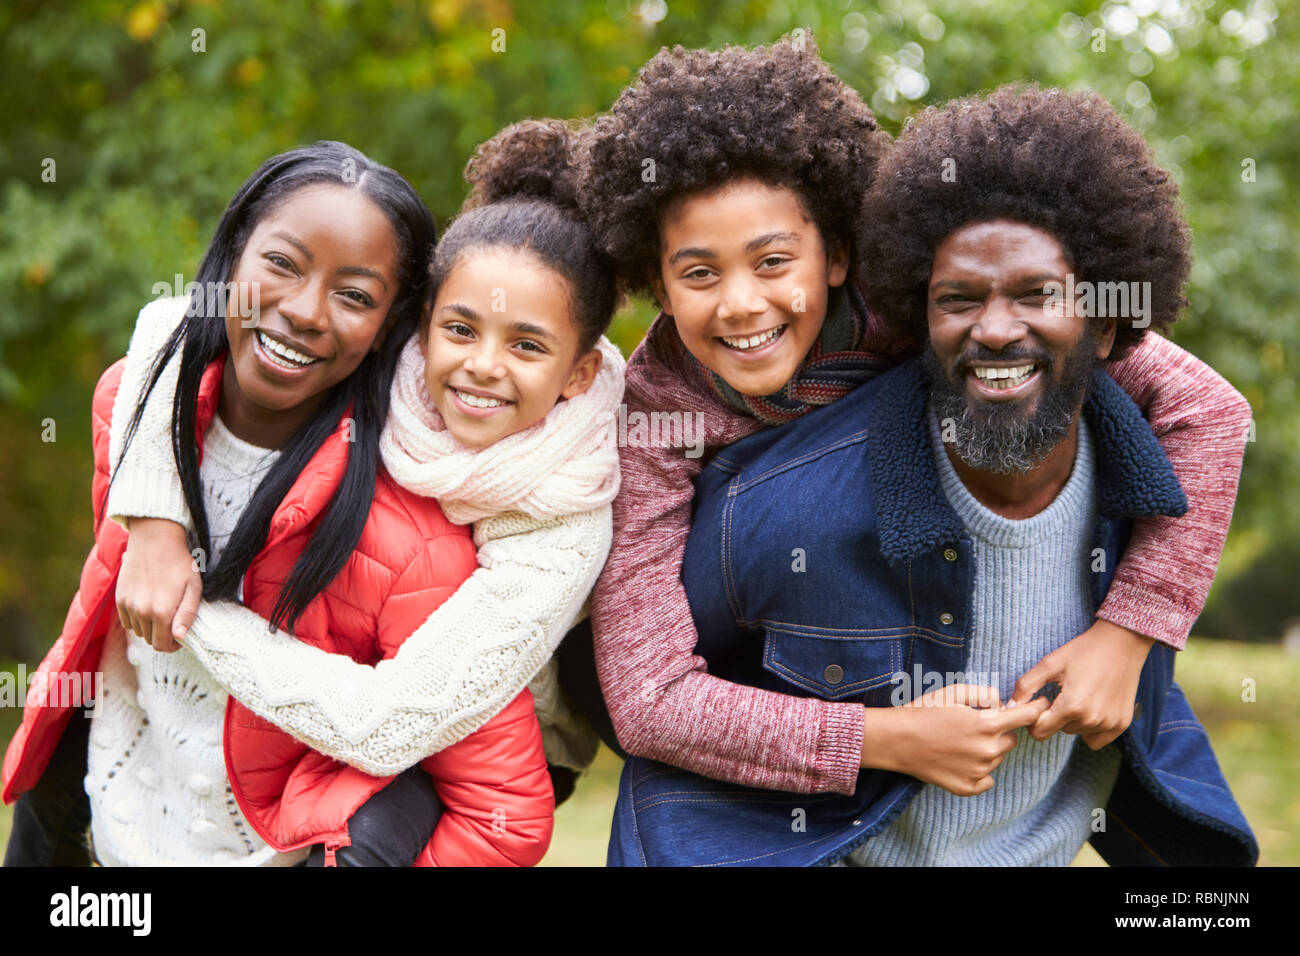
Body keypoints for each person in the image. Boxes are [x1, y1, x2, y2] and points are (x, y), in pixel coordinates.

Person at [579, 37, 1253, 799]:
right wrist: (884, 738)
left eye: (773, 262)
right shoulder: (655, 415)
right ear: (660, 289)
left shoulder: (932, 306)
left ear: (837, 257)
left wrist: (1130, 632)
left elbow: (1209, 409)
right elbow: (646, 699)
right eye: (699, 273)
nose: (741, 303)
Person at [1, 141, 554, 867]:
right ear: (233, 256)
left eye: (354, 295)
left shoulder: (411, 536)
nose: (303, 312)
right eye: (282, 265)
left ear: (392, 326)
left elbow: (503, 815)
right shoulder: (127, 404)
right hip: (96, 816)